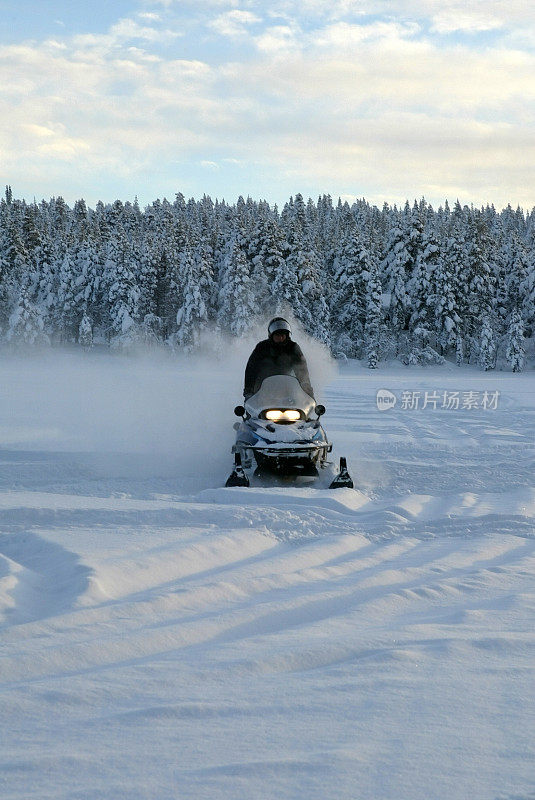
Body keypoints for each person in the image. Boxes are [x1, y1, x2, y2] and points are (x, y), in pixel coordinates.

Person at [243, 317, 314, 400]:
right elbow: (251, 370)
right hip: (261, 390)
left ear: (287, 335)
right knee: (254, 411)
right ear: (271, 335)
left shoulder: (293, 348)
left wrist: (309, 394)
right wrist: (249, 392)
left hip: (286, 389)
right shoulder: (262, 347)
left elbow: (302, 371)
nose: (280, 338)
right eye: (277, 335)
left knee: (299, 410)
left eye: (283, 335)